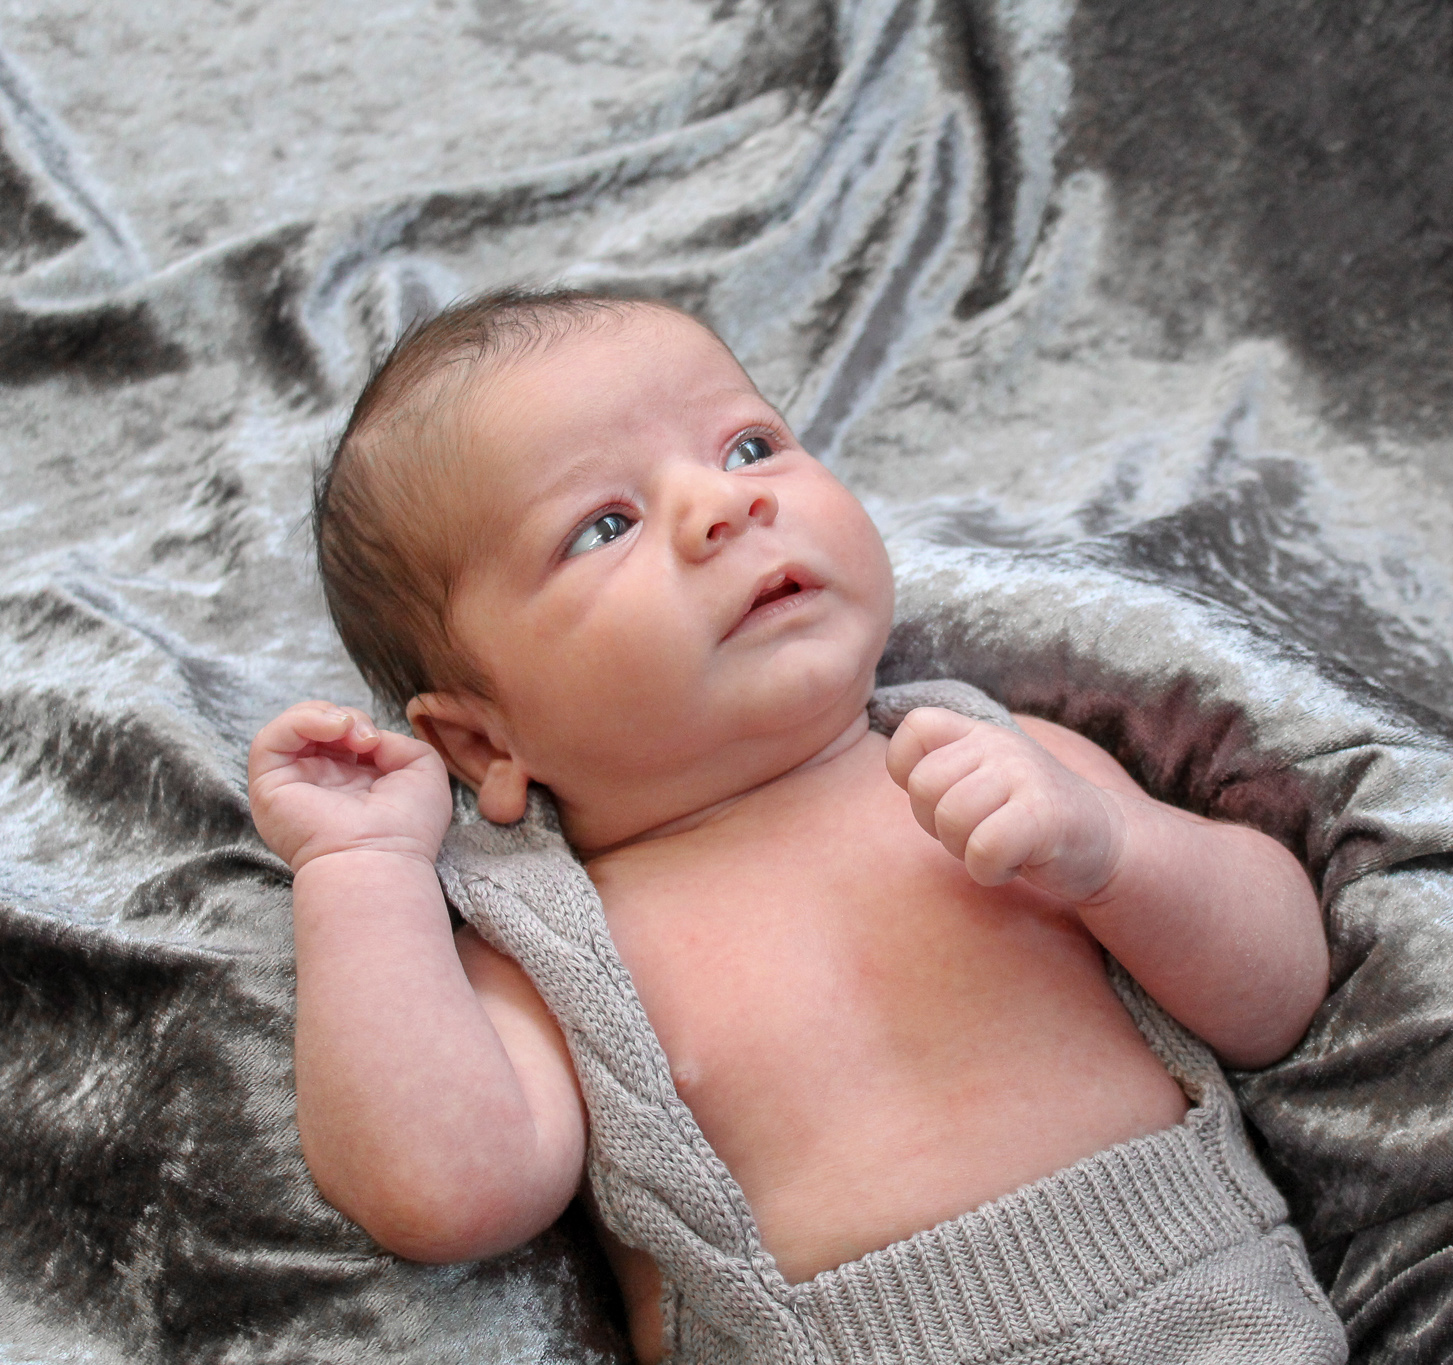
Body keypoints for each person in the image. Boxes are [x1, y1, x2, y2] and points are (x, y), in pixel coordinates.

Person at [248, 289, 1343, 1363]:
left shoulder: (1001, 762)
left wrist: (1116, 854)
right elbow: (443, 1194)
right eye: (605, 525)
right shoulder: (545, 938)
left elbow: (1280, 995)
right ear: (483, 742)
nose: (722, 506)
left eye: (750, 447)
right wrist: (362, 868)